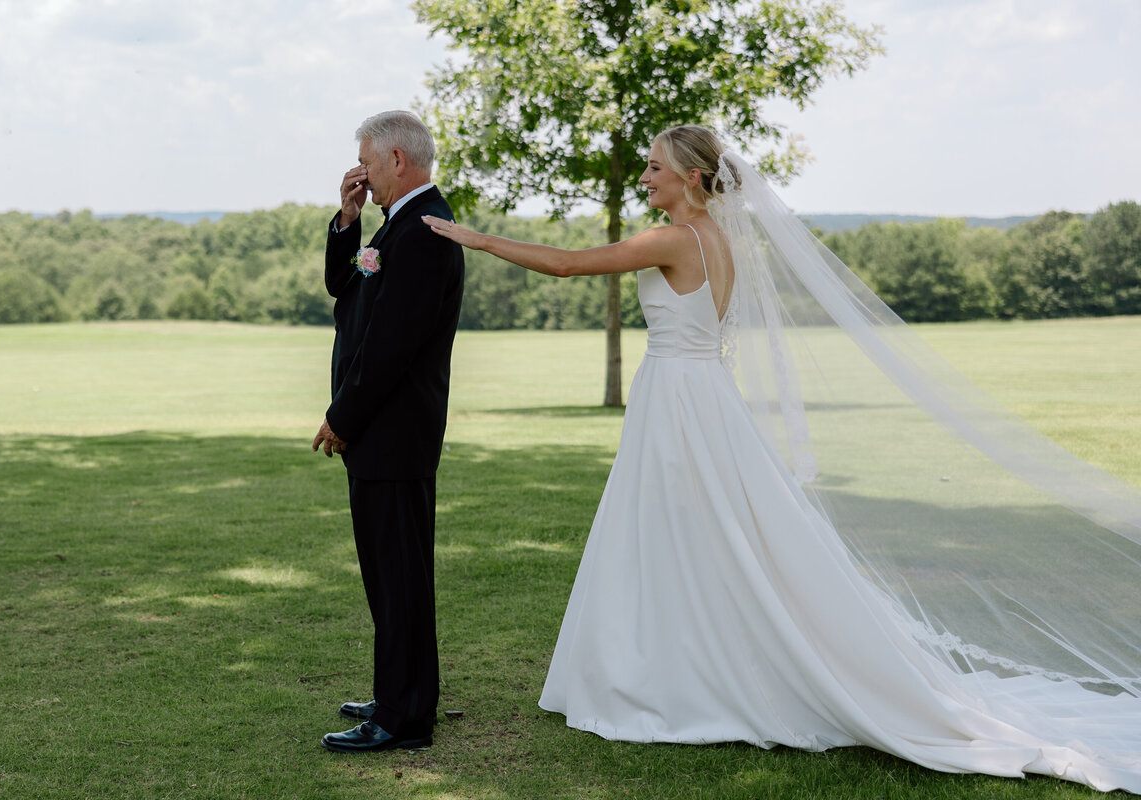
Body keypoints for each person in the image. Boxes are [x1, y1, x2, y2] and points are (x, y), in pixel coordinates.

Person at [425, 125, 1141, 793]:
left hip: (679, 398)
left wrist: (474, 238)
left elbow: (564, 264)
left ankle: (685, 677)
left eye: (653, 167)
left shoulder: (674, 239)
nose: (643, 177)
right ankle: (681, 665)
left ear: (691, 177)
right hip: (699, 394)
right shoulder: (719, 240)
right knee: (708, 533)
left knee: (680, 531)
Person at [313, 110, 464, 753]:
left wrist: (340, 418)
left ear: (398, 160)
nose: (362, 176)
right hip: (384, 433)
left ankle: (403, 719)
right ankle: (400, 691)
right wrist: (347, 224)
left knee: (399, 578)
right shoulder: (393, 226)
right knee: (388, 575)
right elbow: (343, 290)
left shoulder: (426, 233)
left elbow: (390, 347)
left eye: (368, 166)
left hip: (393, 432)